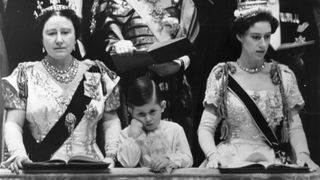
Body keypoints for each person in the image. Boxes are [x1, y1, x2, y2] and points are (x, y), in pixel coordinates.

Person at [197, 0, 319, 171]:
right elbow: (206, 128)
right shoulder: (222, 75)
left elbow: (294, 127)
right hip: (229, 160)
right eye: (255, 37)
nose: (263, 44)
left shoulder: (283, 76)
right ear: (240, 36)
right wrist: (212, 155)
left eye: (267, 36)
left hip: (269, 162)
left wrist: (303, 154)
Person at [1, 3, 121, 174]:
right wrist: (19, 154)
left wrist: (111, 155)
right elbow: (13, 124)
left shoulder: (98, 73)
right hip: (43, 170)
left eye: (65, 32)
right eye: (51, 33)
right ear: (41, 39)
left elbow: (111, 121)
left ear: (75, 36)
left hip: (94, 170)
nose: (59, 39)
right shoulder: (24, 75)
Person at [92, 0, 199, 150]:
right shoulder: (120, 2)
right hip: (138, 83)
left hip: (176, 86)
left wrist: (180, 63)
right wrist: (118, 45)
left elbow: (195, 45)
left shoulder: (182, 3)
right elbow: (108, 39)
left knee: (176, 148)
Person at [117, 76, 192, 172]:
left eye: (152, 111)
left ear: (162, 106)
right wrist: (132, 137)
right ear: (131, 112)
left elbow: (188, 159)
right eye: (141, 114)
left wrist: (169, 160)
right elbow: (129, 163)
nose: (148, 119)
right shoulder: (126, 134)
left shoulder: (174, 129)